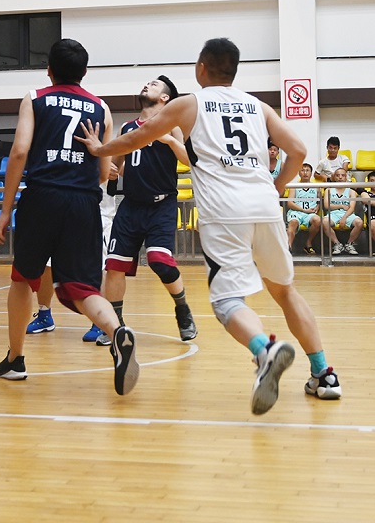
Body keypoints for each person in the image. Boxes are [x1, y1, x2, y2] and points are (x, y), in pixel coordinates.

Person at [76, 37, 341, 414]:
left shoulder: (189, 104)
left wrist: (99, 149)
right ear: (234, 70)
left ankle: (264, 350)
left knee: (227, 302)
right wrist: (277, 186)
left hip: (225, 212)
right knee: (285, 292)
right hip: (265, 206)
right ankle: (324, 373)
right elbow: (297, 151)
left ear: (201, 67)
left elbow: (136, 137)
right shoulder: (258, 106)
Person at [0, 38, 139, 396]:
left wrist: (6, 209)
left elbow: (20, 151)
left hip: (42, 198)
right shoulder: (101, 108)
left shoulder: (35, 98)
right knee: (82, 289)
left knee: (23, 279)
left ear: (48, 69)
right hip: (84, 203)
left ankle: (15, 360)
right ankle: (116, 331)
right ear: (84, 72)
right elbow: (103, 173)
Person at [95, 76, 197, 346]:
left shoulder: (172, 126)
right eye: (147, 83)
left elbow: (189, 159)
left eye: (154, 85)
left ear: (165, 98)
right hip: (131, 205)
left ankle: (183, 309)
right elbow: (118, 164)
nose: (147, 85)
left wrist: (169, 141)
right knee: (114, 266)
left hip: (162, 204)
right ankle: (114, 327)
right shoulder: (128, 127)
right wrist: (112, 169)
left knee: (159, 261)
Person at [25, 169, 119, 340]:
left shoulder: (107, 151)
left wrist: (115, 168)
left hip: (98, 211)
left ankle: (100, 322)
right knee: (47, 263)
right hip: (62, 208)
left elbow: (121, 164)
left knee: (98, 266)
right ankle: (44, 315)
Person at [321, 166, 363, 256]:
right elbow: (326, 205)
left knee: (359, 223)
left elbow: (351, 207)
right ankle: (337, 244)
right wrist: (341, 206)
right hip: (333, 214)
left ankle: (349, 244)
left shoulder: (351, 191)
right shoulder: (328, 190)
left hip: (348, 214)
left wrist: (344, 217)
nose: (340, 177)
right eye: (338, 175)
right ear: (334, 177)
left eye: (342, 175)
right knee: (324, 222)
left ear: (346, 177)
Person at [285, 162, 321, 253]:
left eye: (307, 170)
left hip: (310, 214)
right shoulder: (294, 186)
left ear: (311, 173)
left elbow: (319, 201)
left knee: (317, 220)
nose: (305, 173)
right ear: (299, 173)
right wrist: (303, 210)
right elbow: (289, 203)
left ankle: (308, 242)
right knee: (293, 223)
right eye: (302, 170)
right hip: (296, 212)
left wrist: (317, 207)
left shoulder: (316, 187)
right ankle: (288, 247)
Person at [360, 171, 375, 254]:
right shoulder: (365, 193)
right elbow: (369, 201)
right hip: (372, 216)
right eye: (372, 181)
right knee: (373, 223)